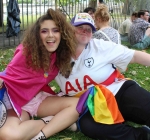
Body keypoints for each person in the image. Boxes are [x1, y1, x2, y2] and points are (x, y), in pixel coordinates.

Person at [55, 12, 150, 140]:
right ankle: (143, 135)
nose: (84, 31)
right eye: (80, 27)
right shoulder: (55, 57)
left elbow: (134, 55)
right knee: (88, 126)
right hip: (92, 106)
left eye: (89, 29)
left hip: (119, 92)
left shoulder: (99, 46)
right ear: (69, 30)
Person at [0, 8, 79, 140]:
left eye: (55, 30)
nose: (50, 35)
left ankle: (42, 135)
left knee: (78, 104)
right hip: (16, 103)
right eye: (44, 31)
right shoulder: (26, 52)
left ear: (62, 34)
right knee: (8, 136)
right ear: (37, 35)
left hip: (38, 100)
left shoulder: (60, 54)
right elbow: (8, 74)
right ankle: (52, 121)